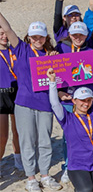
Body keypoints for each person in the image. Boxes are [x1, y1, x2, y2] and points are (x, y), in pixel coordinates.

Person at [0, 11, 63, 191]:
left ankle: (45, 175)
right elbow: (7, 28)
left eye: (40, 37)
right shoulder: (21, 49)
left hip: (45, 104)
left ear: (45, 38)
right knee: (27, 142)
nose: (37, 39)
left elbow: (62, 78)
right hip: (24, 104)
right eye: (34, 36)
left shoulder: (52, 55)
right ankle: (30, 178)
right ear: (29, 37)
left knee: (44, 141)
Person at [46, 70, 93, 192]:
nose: (86, 104)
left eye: (89, 100)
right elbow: (55, 104)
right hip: (78, 165)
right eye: (82, 100)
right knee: (86, 190)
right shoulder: (67, 118)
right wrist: (52, 82)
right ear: (74, 101)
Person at [0, 17, 23, 178]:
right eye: (0, 34)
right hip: (1, 95)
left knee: (18, 131)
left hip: (17, 92)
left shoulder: (14, 49)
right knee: (2, 135)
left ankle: (19, 160)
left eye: (5, 33)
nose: (4, 36)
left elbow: (8, 29)